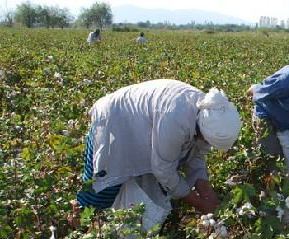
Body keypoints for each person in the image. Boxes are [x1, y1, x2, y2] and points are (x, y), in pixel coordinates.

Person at [76, 79, 242, 225]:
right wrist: (199, 203)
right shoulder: (175, 118)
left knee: (134, 185)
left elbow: (195, 156)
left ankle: (110, 226)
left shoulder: (205, 112)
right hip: (113, 124)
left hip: (137, 127)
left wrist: (208, 194)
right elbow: (163, 170)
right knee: (102, 188)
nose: (207, 144)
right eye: (207, 141)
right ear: (202, 133)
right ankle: (80, 223)